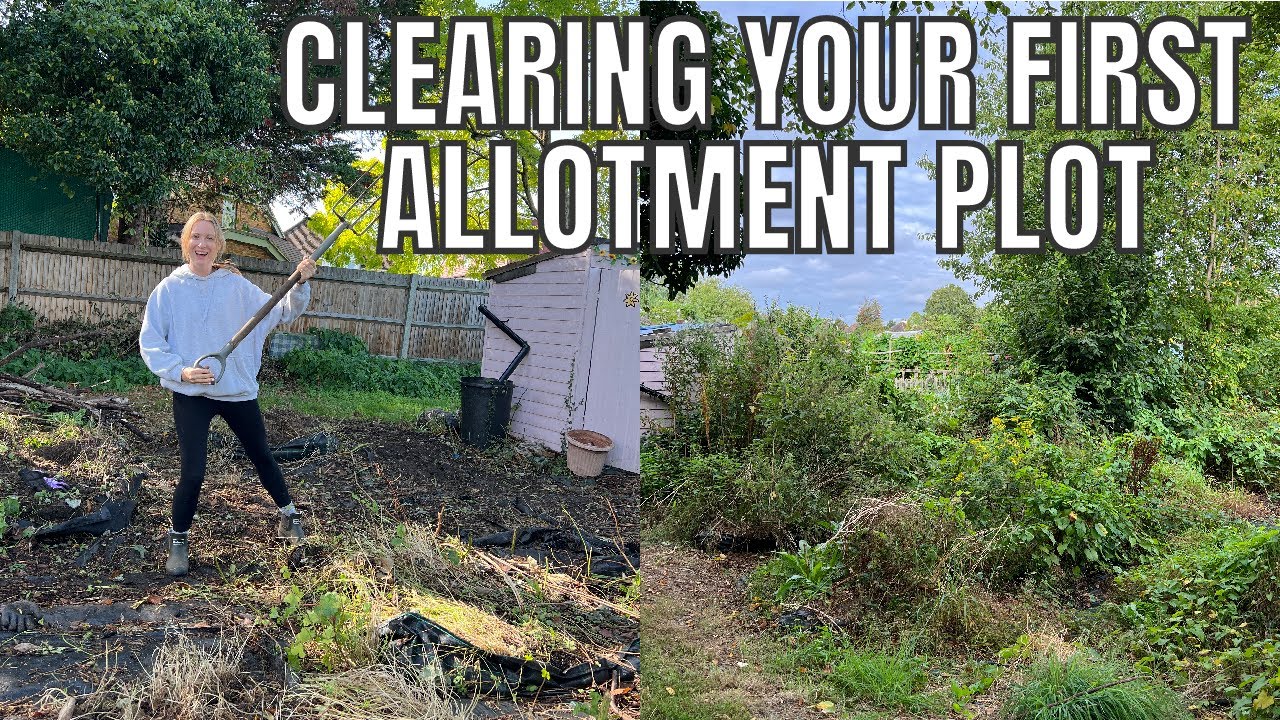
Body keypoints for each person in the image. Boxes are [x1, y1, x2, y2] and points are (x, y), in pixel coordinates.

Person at [139, 211, 317, 576]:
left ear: (218, 245)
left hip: (235, 392)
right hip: (192, 394)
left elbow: (280, 311)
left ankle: (288, 516)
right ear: (185, 243)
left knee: (262, 456)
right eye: (195, 237)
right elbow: (151, 341)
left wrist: (299, 284)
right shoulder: (169, 290)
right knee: (193, 471)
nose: (202, 244)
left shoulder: (236, 287)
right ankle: (178, 539)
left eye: (209, 238)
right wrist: (181, 371)